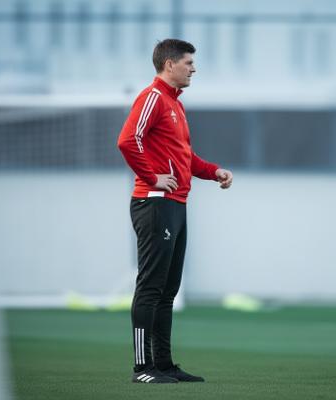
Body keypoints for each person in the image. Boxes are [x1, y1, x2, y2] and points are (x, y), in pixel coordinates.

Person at [117, 39, 233, 384]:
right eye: (188, 63)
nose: (194, 68)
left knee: (168, 290)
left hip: (176, 205)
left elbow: (185, 157)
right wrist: (153, 176)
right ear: (169, 65)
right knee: (151, 287)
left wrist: (214, 171)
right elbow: (128, 141)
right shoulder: (152, 97)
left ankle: (164, 365)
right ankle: (143, 368)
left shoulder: (175, 105)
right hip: (154, 202)